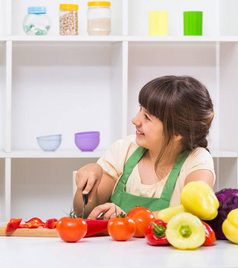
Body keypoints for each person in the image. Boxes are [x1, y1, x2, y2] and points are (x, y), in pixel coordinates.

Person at [73, 75, 215, 220]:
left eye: (147, 117)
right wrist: (89, 181)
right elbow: (83, 213)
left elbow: (196, 211)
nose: (135, 120)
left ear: (176, 132)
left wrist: (127, 218)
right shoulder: (124, 149)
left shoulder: (197, 161)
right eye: (140, 109)